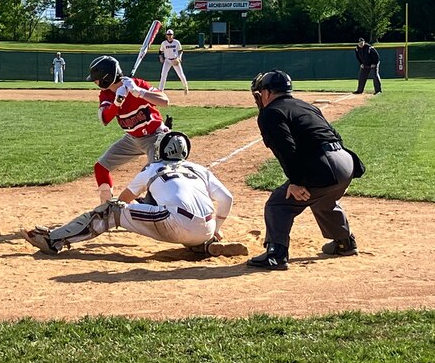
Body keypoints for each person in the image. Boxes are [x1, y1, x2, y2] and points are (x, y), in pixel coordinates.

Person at [20, 131, 246, 257]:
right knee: (183, 218)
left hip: (174, 222)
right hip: (207, 226)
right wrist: (216, 228)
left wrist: (133, 208)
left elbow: (122, 201)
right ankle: (206, 245)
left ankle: (53, 241)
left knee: (111, 210)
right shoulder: (199, 169)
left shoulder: (153, 168)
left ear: (160, 150)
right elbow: (227, 198)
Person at [247, 70, 365, 270]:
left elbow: (286, 148)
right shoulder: (306, 106)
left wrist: (296, 181)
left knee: (278, 204)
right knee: (323, 200)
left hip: (325, 165)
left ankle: (276, 255)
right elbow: (334, 134)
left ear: (267, 93)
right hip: (346, 162)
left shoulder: (271, 112)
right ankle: (344, 243)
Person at [86, 55, 171, 203]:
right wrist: (117, 102)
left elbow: (165, 101)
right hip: (132, 139)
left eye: (97, 79)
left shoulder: (137, 84)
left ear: (106, 78)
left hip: (155, 137)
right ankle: (107, 207)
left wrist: (140, 92)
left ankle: (157, 206)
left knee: (154, 175)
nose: (95, 82)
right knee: (101, 167)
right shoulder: (106, 94)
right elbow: (104, 119)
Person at [158, 28, 189, 94]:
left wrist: (179, 58)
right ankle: (160, 90)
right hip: (167, 60)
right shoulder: (164, 43)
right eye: (168, 35)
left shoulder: (176, 42)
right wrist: (161, 57)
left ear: (173, 35)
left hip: (175, 60)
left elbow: (180, 51)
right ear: (166, 35)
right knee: (163, 75)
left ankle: (185, 87)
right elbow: (160, 51)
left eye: (170, 34)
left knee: (181, 75)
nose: (169, 36)